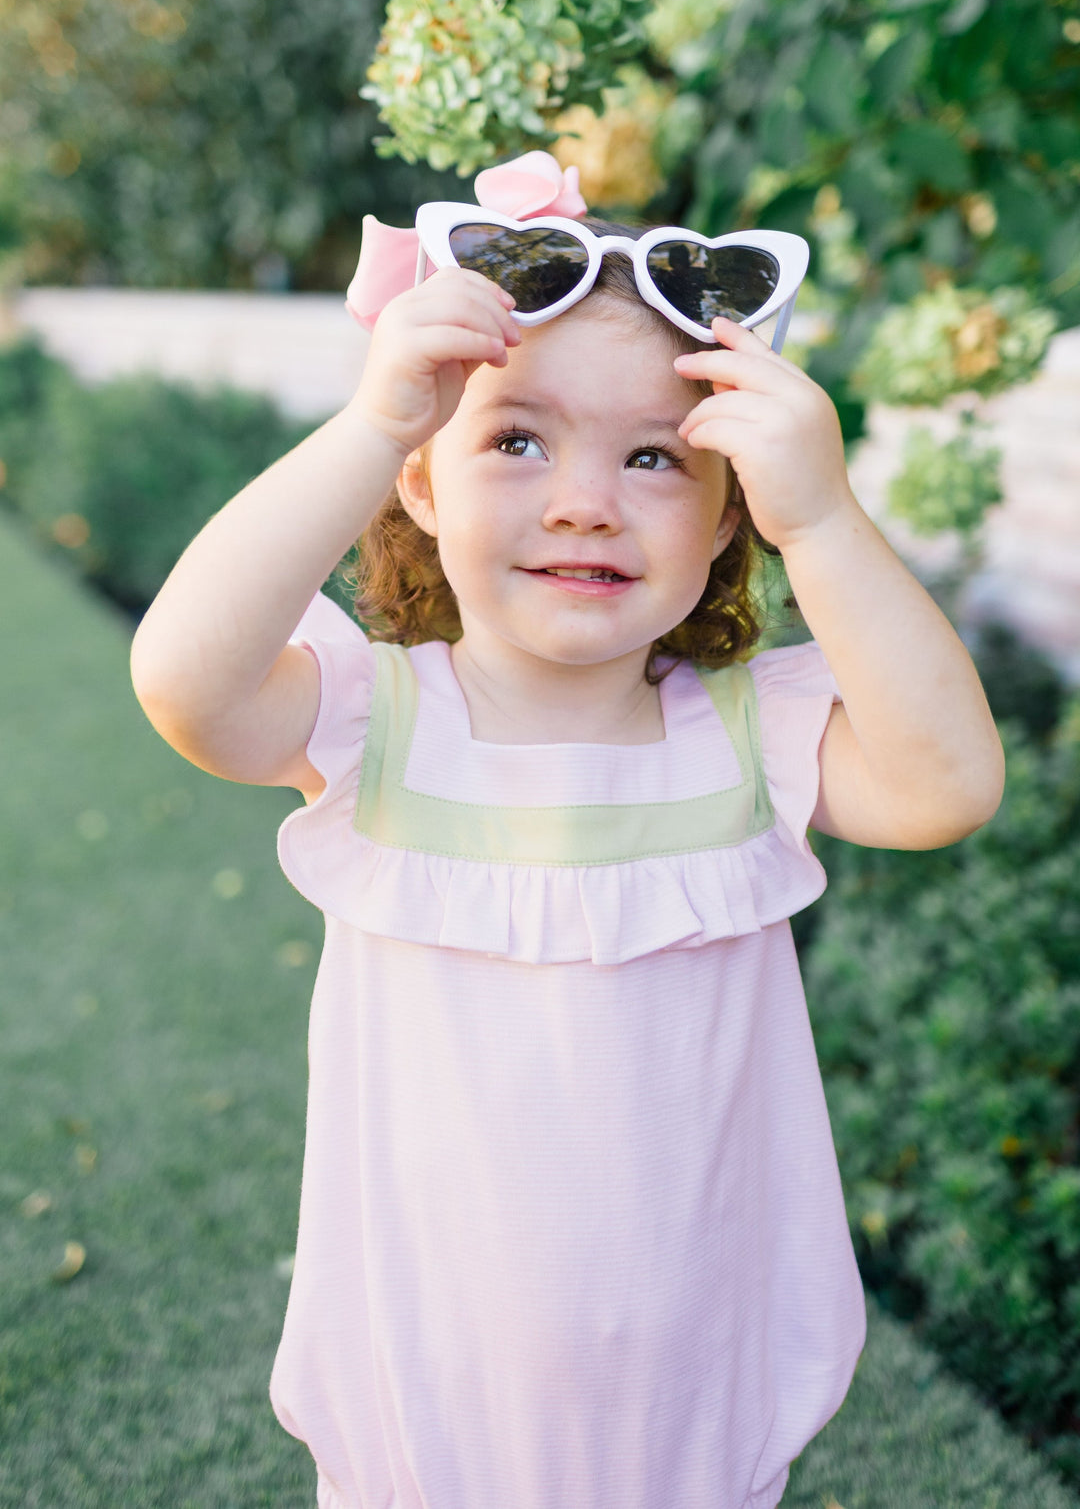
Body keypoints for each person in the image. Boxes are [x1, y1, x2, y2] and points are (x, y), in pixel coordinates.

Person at [130, 152, 1005, 1509]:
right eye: (515, 438)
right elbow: (184, 681)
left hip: (690, 1419)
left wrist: (824, 516)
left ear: (727, 524)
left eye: (656, 456)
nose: (587, 499)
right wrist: (370, 421)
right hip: (427, 1409)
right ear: (422, 479)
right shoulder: (378, 725)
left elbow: (949, 782)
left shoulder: (746, 740)